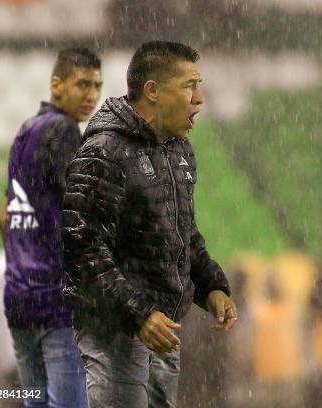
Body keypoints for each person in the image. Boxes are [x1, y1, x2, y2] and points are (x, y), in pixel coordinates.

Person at [62, 40, 237, 408]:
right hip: (117, 332)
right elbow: (83, 250)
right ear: (153, 91)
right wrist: (138, 314)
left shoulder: (178, 149)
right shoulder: (104, 151)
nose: (199, 98)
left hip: (162, 331)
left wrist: (211, 285)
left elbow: (182, 234)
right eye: (189, 85)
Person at [0, 47, 102, 407]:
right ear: (56, 85)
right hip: (56, 301)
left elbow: (4, 217)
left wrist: (24, 260)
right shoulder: (64, 130)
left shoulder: (25, 133)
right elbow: (81, 213)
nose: (91, 95)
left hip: (19, 299)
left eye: (97, 86)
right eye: (82, 84)